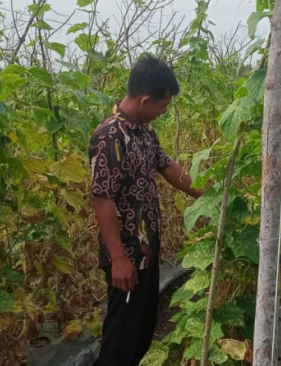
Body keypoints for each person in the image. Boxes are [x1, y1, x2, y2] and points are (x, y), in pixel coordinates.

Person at [89, 55, 204, 366]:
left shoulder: (142, 130)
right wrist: (119, 260)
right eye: (162, 106)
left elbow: (166, 165)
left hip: (148, 252)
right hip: (127, 258)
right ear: (145, 100)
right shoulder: (109, 137)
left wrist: (205, 192)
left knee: (140, 335)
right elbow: (102, 199)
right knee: (120, 344)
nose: (163, 112)